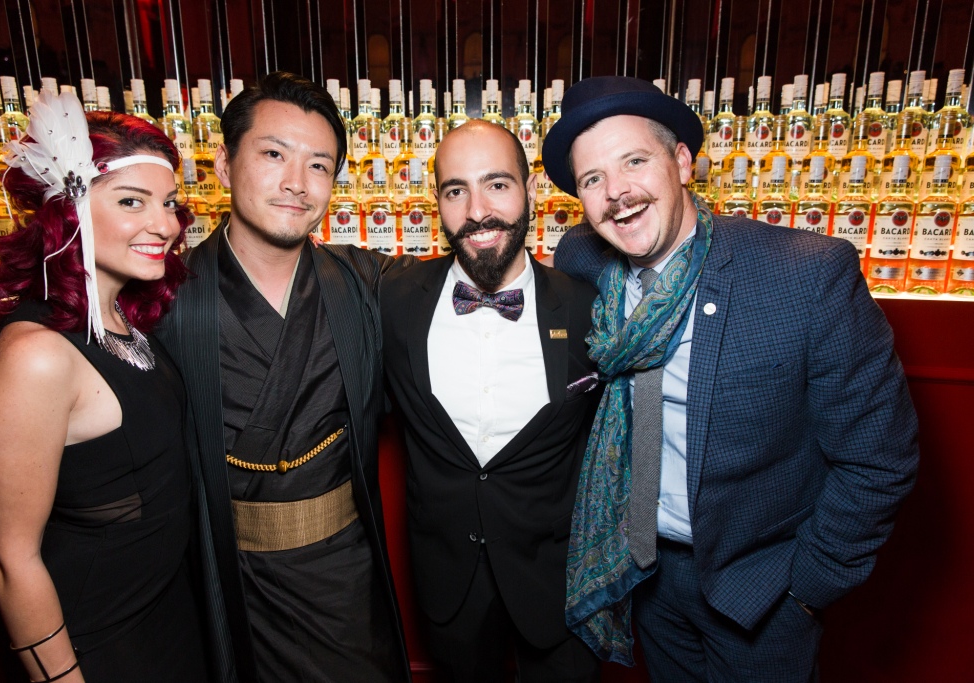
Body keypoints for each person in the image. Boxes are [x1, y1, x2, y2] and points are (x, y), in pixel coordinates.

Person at [540, 76, 920, 681]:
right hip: (644, 574)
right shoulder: (584, 262)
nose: (616, 193)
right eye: (592, 179)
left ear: (682, 162)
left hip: (761, 591)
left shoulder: (806, 276)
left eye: (634, 161)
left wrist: (807, 587)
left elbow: (879, 456)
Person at [156, 72, 410, 682]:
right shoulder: (162, 298)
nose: (297, 182)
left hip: (342, 572)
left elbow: (473, 290)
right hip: (228, 575)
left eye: (319, 165)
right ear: (223, 165)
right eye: (274, 155)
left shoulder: (365, 283)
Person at [0, 93, 209, 682]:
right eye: (132, 201)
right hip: (95, 645)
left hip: (166, 623)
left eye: (169, 203)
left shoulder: (127, 320)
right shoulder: (36, 354)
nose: (165, 225)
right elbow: (9, 558)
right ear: (68, 211)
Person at [380, 120, 602, 682]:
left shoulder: (588, 308)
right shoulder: (395, 300)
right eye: (456, 190)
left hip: (558, 580)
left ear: (530, 191)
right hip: (448, 580)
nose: (477, 211)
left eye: (497, 185)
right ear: (436, 201)